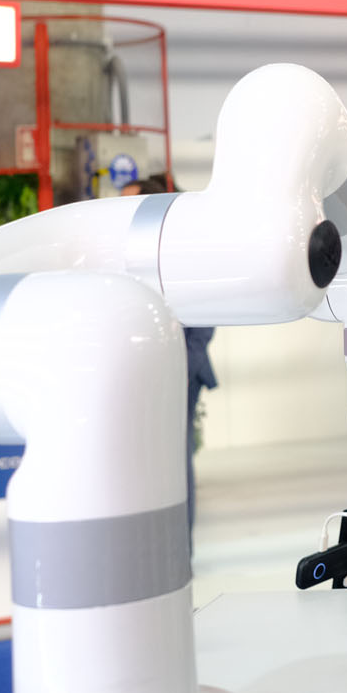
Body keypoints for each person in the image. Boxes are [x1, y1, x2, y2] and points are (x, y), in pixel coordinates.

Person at [122, 175, 218, 542]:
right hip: (142, 376)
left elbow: (203, 319)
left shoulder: (180, 248)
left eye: (129, 202)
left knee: (175, 461)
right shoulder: (130, 250)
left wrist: (181, 370)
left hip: (179, 374)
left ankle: (179, 549)